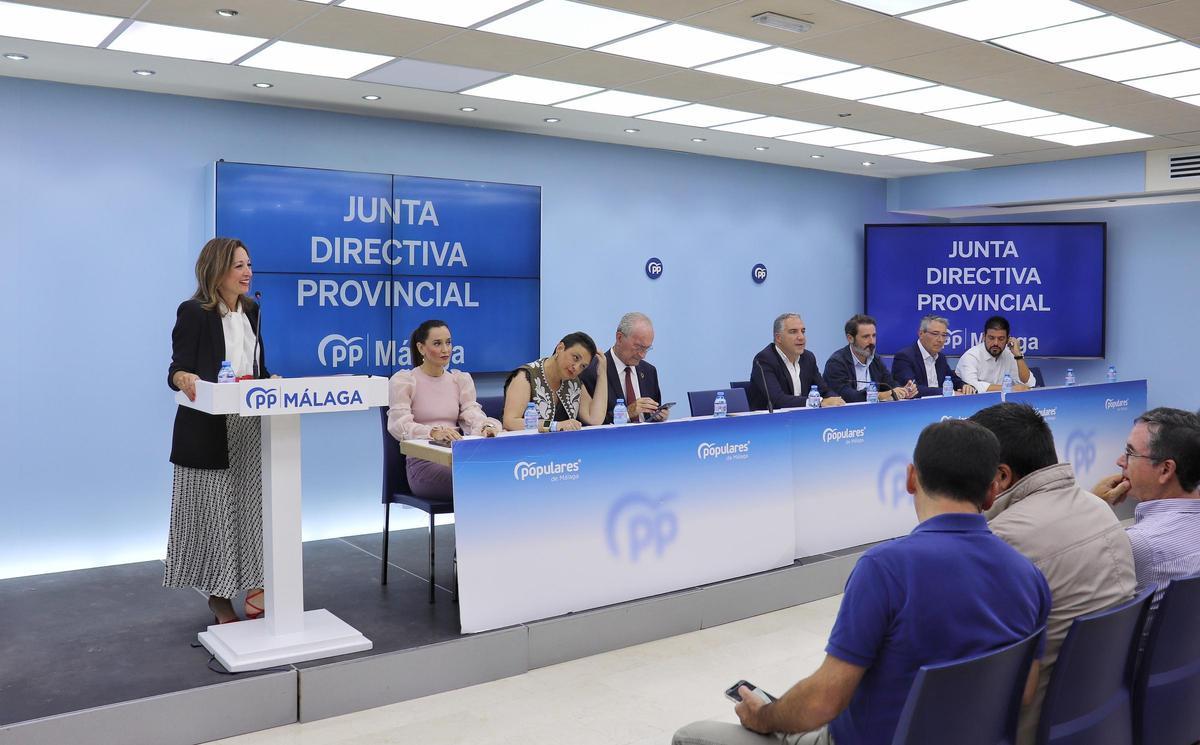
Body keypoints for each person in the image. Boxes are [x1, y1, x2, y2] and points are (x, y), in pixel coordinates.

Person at [673, 420, 1050, 745]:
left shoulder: (885, 569)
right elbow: (1025, 691)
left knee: (692, 734)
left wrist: (765, 716)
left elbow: (823, 703)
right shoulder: (1029, 576)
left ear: (911, 478)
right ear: (991, 490)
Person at [969, 402, 1136, 745]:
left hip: (1027, 727)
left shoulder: (1001, 540)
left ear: (1000, 476)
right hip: (1096, 717)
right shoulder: (1099, 508)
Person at [166, 237, 269, 626]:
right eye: (239, 265)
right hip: (208, 429)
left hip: (248, 426)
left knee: (249, 511)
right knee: (215, 515)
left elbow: (258, 365)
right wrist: (183, 376)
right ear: (217, 270)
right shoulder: (193, 312)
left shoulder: (254, 310)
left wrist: (269, 380)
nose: (247, 272)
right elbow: (175, 370)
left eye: (249, 264)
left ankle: (257, 585)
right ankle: (219, 595)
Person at [1091, 407, 1200, 613]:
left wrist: (1093, 504)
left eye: (1130, 453)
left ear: (1165, 470)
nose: (1120, 461)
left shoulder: (1138, 543)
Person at [387, 320, 502, 500]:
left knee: (498, 472)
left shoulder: (459, 380)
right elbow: (398, 425)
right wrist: (433, 432)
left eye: (448, 342)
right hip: (423, 463)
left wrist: (485, 427)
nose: (445, 350)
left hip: (457, 456)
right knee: (475, 478)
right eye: (437, 344)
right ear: (421, 347)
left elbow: (472, 414)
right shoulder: (405, 381)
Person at [502, 332, 607, 431]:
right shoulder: (525, 376)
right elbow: (510, 422)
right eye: (575, 358)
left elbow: (594, 419)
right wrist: (554, 425)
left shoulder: (573, 382)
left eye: (583, 366)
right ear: (560, 348)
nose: (576, 367)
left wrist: (602, 374)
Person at [579, 311, 667, 424]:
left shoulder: (649, 371)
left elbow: (651, 417)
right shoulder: (592, 370)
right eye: (638, 347)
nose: (642, 355)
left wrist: (658, 415)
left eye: (647, 349)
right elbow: (589, 424)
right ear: (619, 338)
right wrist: (626, 413)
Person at [748, 314, 845, 410]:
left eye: (803, 331)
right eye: (793, 332)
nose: (801, 337)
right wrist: (818, 402)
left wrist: (836, 401)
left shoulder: (808, 358)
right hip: (768, 422)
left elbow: (824, 390)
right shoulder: (764, 360)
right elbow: (778, 400)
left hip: (803, 420)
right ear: (778, 338)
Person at [823, 314, 917, 402]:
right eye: (866, 337)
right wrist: (879, 396)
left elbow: (889, 383)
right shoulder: (836, 363)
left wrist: (903, 391)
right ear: (850, 338)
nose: (871, 341)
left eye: (874, 336)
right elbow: (845, 395)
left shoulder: (876, 360)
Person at [890, 314, 976, 397]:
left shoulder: (941, 358)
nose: (940, 340)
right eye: (935, 334)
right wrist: (948, 392)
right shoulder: (904, 357)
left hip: (941, 406)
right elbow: (912, 390)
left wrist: (963, 386)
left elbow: (952, 379)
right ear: (921, 334)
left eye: (944, 335)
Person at [955, 315, 1036, 392]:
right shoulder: (971, 356)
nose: (996, 343)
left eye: (1001, 339)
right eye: (991, 338)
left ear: (1008, 339)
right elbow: (971, 386)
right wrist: (1009, 388)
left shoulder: (1010, 355)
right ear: (984, 337)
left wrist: (1018, 355)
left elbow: (1028, 383)